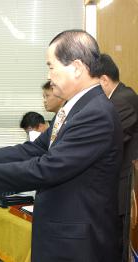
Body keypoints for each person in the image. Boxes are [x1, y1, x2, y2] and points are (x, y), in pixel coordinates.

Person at [0, 30, 123, 261]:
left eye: (51, 66)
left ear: (76, 67)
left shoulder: (95, 114)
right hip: (61, 228)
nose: (49, 75)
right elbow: (36, 148)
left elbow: (49, 167)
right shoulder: (74, 108)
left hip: (77, 241)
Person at [98, 53, 138, 262]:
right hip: (119, 182)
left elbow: (105, 143)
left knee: (122, 247)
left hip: (126, 185)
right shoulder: (118, 98)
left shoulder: (123, 100)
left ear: (104, 80)